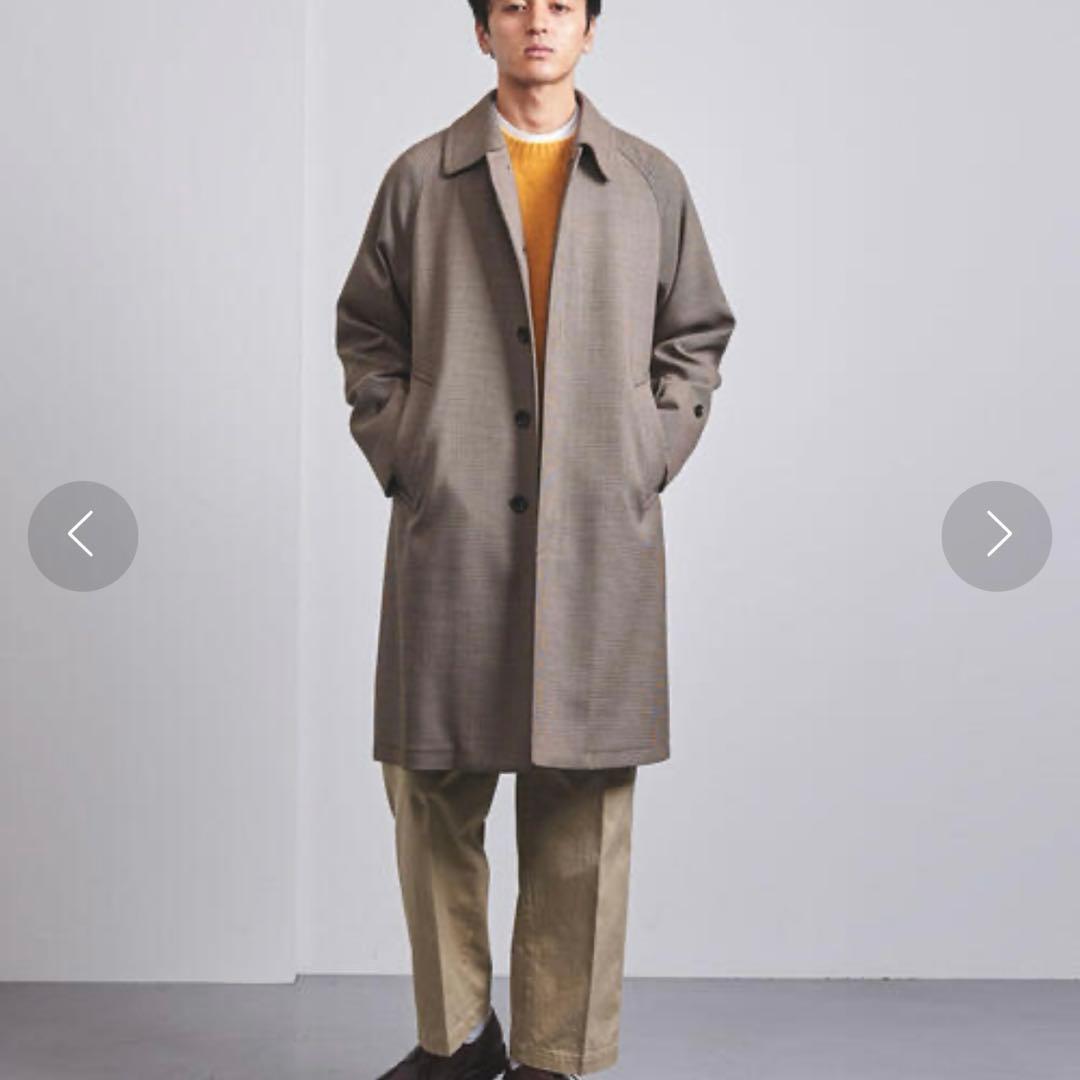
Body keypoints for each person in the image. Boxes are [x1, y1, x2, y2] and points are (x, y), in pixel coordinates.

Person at [335, 2, 737, 1076]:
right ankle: (458, 1040)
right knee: (432, 786)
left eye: (560, 6)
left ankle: (557, 1055)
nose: (537, 24)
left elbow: (696, 332)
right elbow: (367, 332)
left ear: (592, 30)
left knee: (583, 800)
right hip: (455, 526)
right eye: (513, 6)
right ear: (483, 32)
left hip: (598, 528)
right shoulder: (421, 178)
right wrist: (410, 448)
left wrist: (646, 451)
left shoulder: (647, 181)